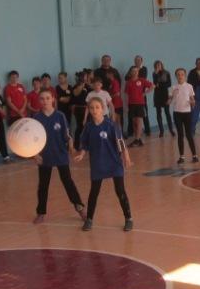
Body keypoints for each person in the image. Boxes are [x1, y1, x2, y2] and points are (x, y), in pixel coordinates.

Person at [75, 96, 133, 232]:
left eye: (97, 107)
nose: (94, 110)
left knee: (120, 191)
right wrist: (82, 154)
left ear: (103, 109)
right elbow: (85, 144)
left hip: (114, 163)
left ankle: (128, 218)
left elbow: (121, 143)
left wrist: (126, 158)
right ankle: (89, 219)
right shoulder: (88, 127)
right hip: (98, 164)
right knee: (94, 192)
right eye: (91, 108)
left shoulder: (111, 125)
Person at [32, 89, 86, 224]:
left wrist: (71, 148)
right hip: (44, 156)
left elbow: (68, 136)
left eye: (47, 98)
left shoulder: (60, 116)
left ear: (53, 99)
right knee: (43, 185)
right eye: (42, 99)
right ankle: (41, 212)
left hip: (60, 154)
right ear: (39, 101)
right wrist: (35, 155)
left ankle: (79, 207)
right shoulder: (36, 118)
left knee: (68, 182)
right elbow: (32, 140)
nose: (45, 101)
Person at [169, 67, 198, 164]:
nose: (180, 76)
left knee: (189, 134)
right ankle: (181, 157)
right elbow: (169, 101)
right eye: (178, 75)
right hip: (177, 114)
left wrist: (193, 102)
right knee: (180, 135)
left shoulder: (189, 86)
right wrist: (171, 97)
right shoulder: (173, 87)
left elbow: (192, 100)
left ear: (185, 76)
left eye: (182, 74)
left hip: (187, 113)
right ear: (176, 76)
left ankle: (194, 155)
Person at [125, 67, 154, 146]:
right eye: (133, 71)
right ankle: (138, 139)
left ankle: (137, 140)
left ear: (138, 72)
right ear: (130, 72)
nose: (134, 72)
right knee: (134, 122)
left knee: (139, 121)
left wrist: (145, 93)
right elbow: (127, 94)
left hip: (140, 104)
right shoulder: (128, 82)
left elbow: (152, 86)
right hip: (131, 104)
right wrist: (126, 106)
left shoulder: (142, 80)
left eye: (136, 71)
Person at [152, 60, 175, 137]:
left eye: (159, 65)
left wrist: (160, 85)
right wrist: (156, 75)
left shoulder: (167, 72)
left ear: (162, 65)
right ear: (155, 66)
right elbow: (155, 83)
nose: (158, 66)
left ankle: (171, 130)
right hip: (157, 94)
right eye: (157, 65)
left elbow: (169, 84)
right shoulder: (154, 73)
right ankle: (161, 131)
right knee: (158, 113)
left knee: (167, 113)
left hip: (165, 94)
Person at [71, 69, 92, 139]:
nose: (86, 79)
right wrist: (81, 84)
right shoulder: (76, 86)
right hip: (79, 109)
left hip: (88, 108)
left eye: (86, 77)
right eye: (84, 77)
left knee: (88, 126)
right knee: (80, 126)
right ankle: (77, 143)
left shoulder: (88, 86)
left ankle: (87, 142)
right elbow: (75, 94)